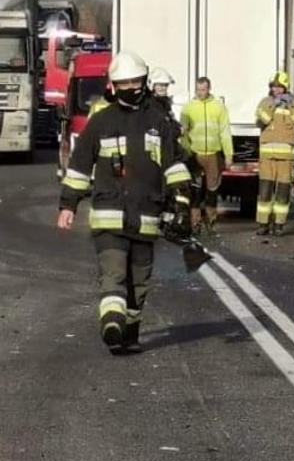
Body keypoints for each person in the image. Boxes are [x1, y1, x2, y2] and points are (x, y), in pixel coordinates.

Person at [58, 52, 192, 351]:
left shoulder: (158, 122)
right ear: (113, 86)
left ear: (144, 82)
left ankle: (128, 334)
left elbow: (174, 166)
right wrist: (68, 205)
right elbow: (79, 166)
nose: (131, 87)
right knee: (114, 273)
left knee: (140, 281)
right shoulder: (101, 121)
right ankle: (112, 322)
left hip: (146, 216)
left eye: (136, 81)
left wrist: (182, 203)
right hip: (109, 216)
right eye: (124, 83)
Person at [179, 76, 233, 234]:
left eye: (203, 89)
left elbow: (225, 132)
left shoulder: (218, 107)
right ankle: (195, 223)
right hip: (195, 154)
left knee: (212, 190)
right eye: (198, 90)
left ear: (209, 89)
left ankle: (211, 222)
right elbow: (183, 133)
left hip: (213, 154)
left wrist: (229, 154)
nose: (201, 93)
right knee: (195, 191)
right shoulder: (188, 108)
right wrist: (186, 152)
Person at [253, 71, 294, 236]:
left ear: (285, 88)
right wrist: (273, 104)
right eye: (274, 87)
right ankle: (263, 224)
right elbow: (263, 119)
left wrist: (291, 104)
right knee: (265, 192)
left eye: (280, 87)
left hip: (286, 158)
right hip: (267, 157)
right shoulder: (265, 102)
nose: (277, 90)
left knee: (283, 192)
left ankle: (279, 225)